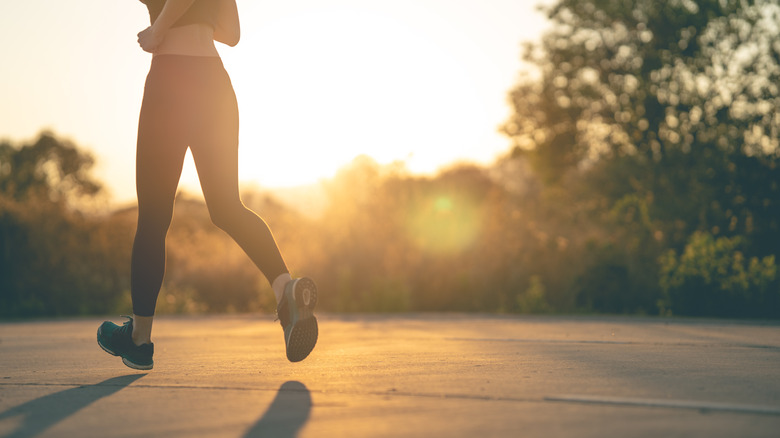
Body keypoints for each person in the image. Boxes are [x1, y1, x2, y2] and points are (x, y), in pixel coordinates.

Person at [97, 0, 318, 369]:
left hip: (171, 79)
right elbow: (231, 35)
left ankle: (139, 340)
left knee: (153, 217)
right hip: (214, 83)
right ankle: (285, 290)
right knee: (227, 206)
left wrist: (160, 27)